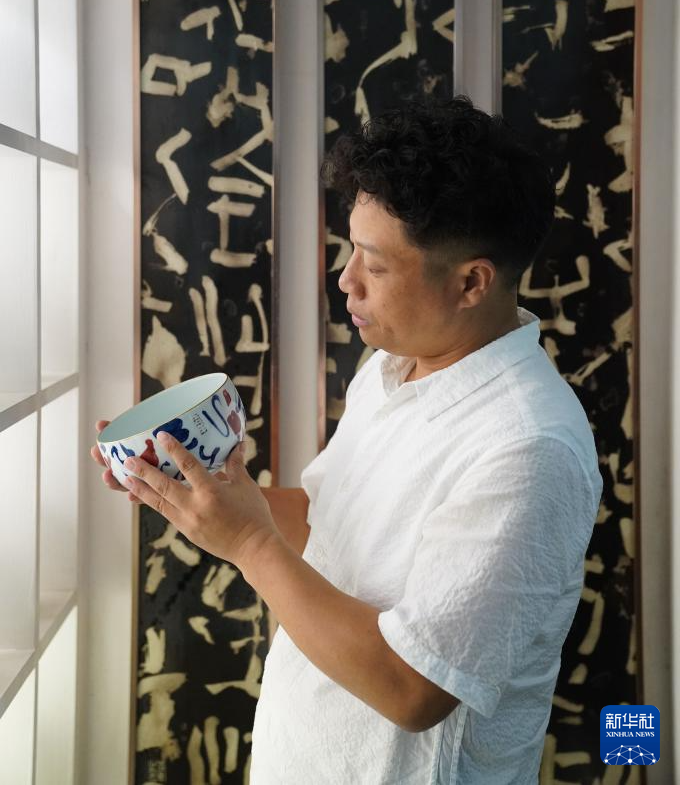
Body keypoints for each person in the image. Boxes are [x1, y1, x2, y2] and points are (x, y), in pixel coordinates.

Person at [92, 97, 603, 783]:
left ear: (471, 282)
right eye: (350, 249)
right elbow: (324, 519)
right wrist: (192, 491)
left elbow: (414, 690)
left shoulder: (529, 447)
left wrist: (247, 544)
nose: (345, 279)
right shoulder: (392, 366)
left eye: (375, 264)